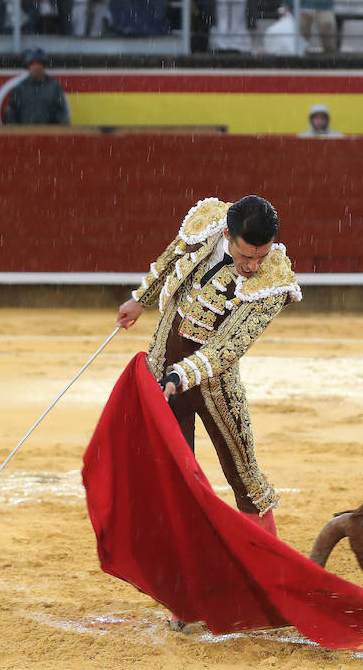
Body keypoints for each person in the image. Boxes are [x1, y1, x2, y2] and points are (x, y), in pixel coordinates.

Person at [114, 195, 300, 543]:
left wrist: (178, 377)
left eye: (261, 256)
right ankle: (183, 563)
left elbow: (228, 347)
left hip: (215, 387)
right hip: (163, 366)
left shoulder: (274, 282)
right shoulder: (208, 224)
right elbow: (172, 257)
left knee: (245, 478)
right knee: (170, 475)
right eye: (246, 256)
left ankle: (270, 564)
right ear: (228, 236)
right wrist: (140, 299)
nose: (253, 267)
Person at [5, 48, 70, 124]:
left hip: (49, 134)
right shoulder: (20, 88)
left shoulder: (54, 87)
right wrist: (16, 133)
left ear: (43, 65)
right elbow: (11, 114)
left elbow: (62, 113)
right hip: (25, 134)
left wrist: (59, 133)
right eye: (32, 63)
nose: (36, 67)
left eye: (39, 63)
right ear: (28, 66)